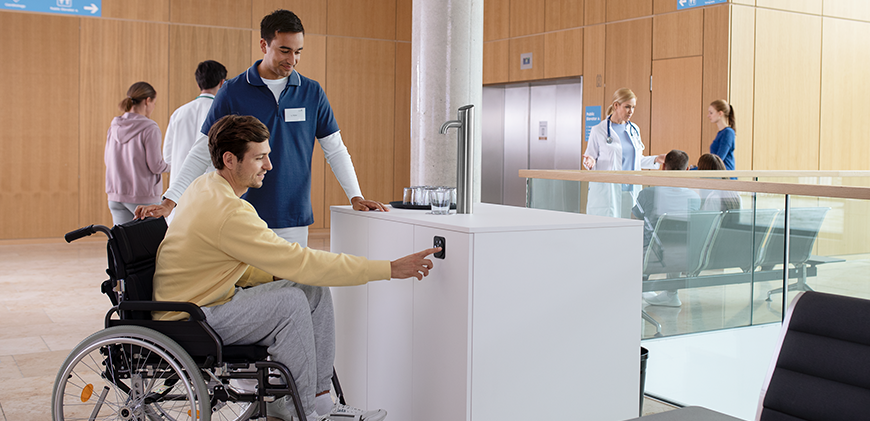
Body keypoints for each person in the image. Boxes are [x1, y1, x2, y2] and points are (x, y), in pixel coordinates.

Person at [154, 115, 440, 421]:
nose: (269, 165)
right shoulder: (228, 212)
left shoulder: (206, 186)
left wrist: (283, 275)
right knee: (291, 301)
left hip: (201, 300)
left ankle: (321, 403)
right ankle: (299, 412)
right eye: (260, 157)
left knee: (310, 289)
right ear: (229, 159)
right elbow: (304, 262)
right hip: (191, 315)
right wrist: (389, 269)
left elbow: (224, 263)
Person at [135, 9, 385, 239]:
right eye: (285, 51)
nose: (293, 60)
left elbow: (335, 149)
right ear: (264, 45)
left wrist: (356, 196)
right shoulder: (233, 91)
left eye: (298, 52)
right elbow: (202, 150)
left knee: (292, 288)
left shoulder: (312, 92)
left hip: (293, 217)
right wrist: (169, 201)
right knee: (247, 288)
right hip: (240, 214)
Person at [583, 88, 664, 218]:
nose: (631, 111)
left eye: (633, 107)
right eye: (627, 107)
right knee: (608, 230)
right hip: (608, 192)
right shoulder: (598, 130)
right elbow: (590, 157)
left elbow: (635, 160)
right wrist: (591, 161)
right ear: (616, 105)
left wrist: (656, 159)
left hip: (630, 190)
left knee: (629, 229)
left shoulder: (634, 130)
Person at [633, 150, 700, 307]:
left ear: (663, 167)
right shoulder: (695, 199)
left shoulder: (648, 193)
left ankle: (640, 286)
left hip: (651, 257)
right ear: (688, 170)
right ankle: (671, 293)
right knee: (676, 241)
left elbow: (634, 220)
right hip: (685, 257)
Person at [105, 81, 169, 225]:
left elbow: (107, 160)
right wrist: (173, 165)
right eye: (154, 103)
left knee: (123, 244)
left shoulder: (114, 126)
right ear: (147, 101)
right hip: (143, 198)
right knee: (152, 245)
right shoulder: (150, 128)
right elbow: (156, 166)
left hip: (116, 196)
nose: (153, 107)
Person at [163, 60, 226, 189]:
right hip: (209, 187)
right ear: (222, 83)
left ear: (198, 84)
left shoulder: (178, 113)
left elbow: (168, 157)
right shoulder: (222, 113)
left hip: (178, 191)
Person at [707, 99, 736, 170]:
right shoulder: (721, 133)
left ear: (720, 113)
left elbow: (718, 160)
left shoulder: (728, 132)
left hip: (725, 175)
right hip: (719, 173)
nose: (708, 115)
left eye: (711, 113)